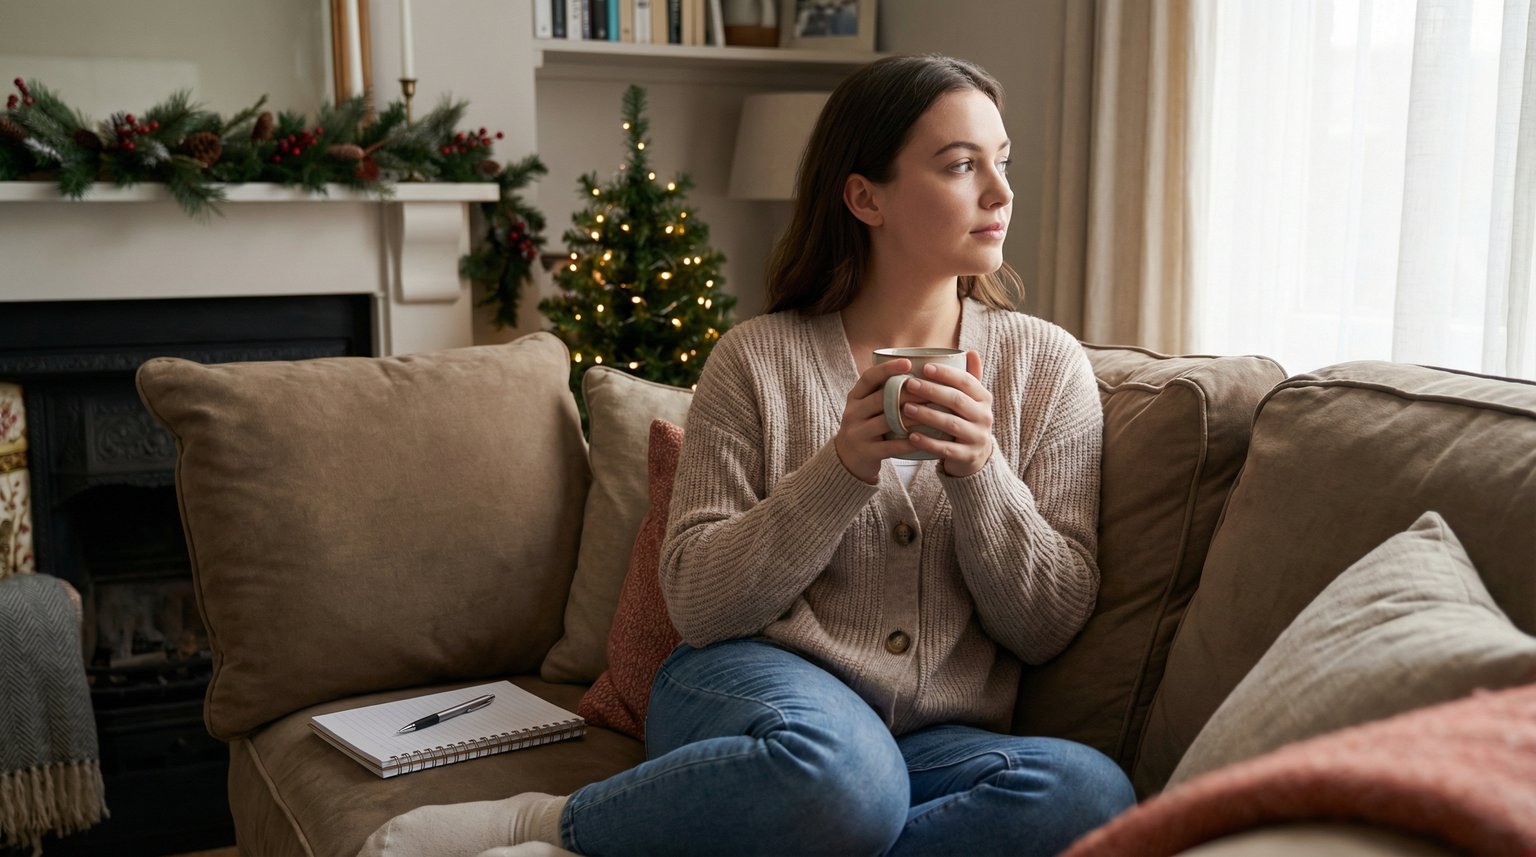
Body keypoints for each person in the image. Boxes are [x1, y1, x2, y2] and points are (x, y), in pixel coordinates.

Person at [360, 53, 1135, 857]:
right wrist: (841, 472)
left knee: (1093, 795)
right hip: (752, 695)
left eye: (1001, 161)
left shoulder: (1047, 367)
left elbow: (1047, 623)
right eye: (961, 165)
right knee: (842, 774)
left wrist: (982, 475)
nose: (1001, 192)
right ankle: (551, 822)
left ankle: (791, 829)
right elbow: (699, 603)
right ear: (865, 196)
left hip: (932, 741)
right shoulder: (757, 359)